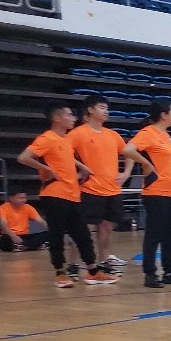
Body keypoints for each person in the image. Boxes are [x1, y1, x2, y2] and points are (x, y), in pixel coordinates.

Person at [17, 103, 118, 287]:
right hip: (54, 194)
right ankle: (60, 273)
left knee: (83, 235)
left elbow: (66, 157)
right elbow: (23, 157)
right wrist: (46, 169)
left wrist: (82, 167)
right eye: (69, 115)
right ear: (57, 118)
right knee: (56, 235)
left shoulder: (65, 139)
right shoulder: (46, 138)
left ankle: (93, 271)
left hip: (73, 194)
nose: (73, 118)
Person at [122, 98, 171, 288]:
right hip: (156, 192)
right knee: (154, 234)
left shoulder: (165, 135)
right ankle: (150, 273)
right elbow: (127, 149)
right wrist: (146, 163)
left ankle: (170, 271)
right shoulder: (148, 133)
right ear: (163, 115)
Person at [69, 94, 132, 269]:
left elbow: (129, 153)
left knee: (107, 227)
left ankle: (104, 261)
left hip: (112, 189)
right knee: (84, 228)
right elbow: (61, 153)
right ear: (90, 110)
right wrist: (81, 167)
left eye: (107, 108)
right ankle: (74, 264)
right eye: (102, 108)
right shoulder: (78, 133)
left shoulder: (113, 135)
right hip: (90, 189)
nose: (106, 111)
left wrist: (126, 173)